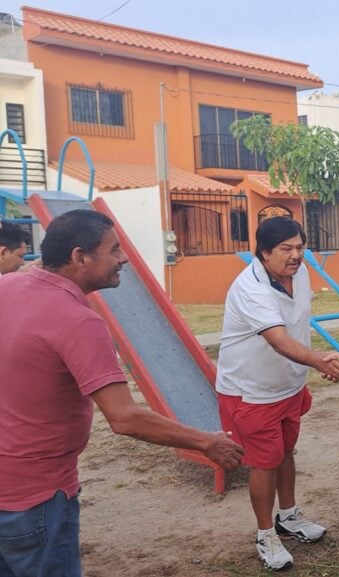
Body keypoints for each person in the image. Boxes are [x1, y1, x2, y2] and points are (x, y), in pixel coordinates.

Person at [0, 210, 244, 577]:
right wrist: (206, 442)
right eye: (114, 250)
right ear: (79, 256)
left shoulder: (7, 287)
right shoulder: (79, 322)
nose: (124, 258)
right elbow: (125, 417)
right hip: (37, 497)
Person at [215, 216, 339, 571]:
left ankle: (288, 517)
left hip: (288, 385)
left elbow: (297, 325)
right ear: (263, 252)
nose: (295, 256)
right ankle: (265, 535)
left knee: (286, 451)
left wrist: (309, 367)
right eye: (286, 249)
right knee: (264, 462)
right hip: (251, 391)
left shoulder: (300, 273)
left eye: (300, 248)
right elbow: (277, 339)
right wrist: (323, 361)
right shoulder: (250, 288)